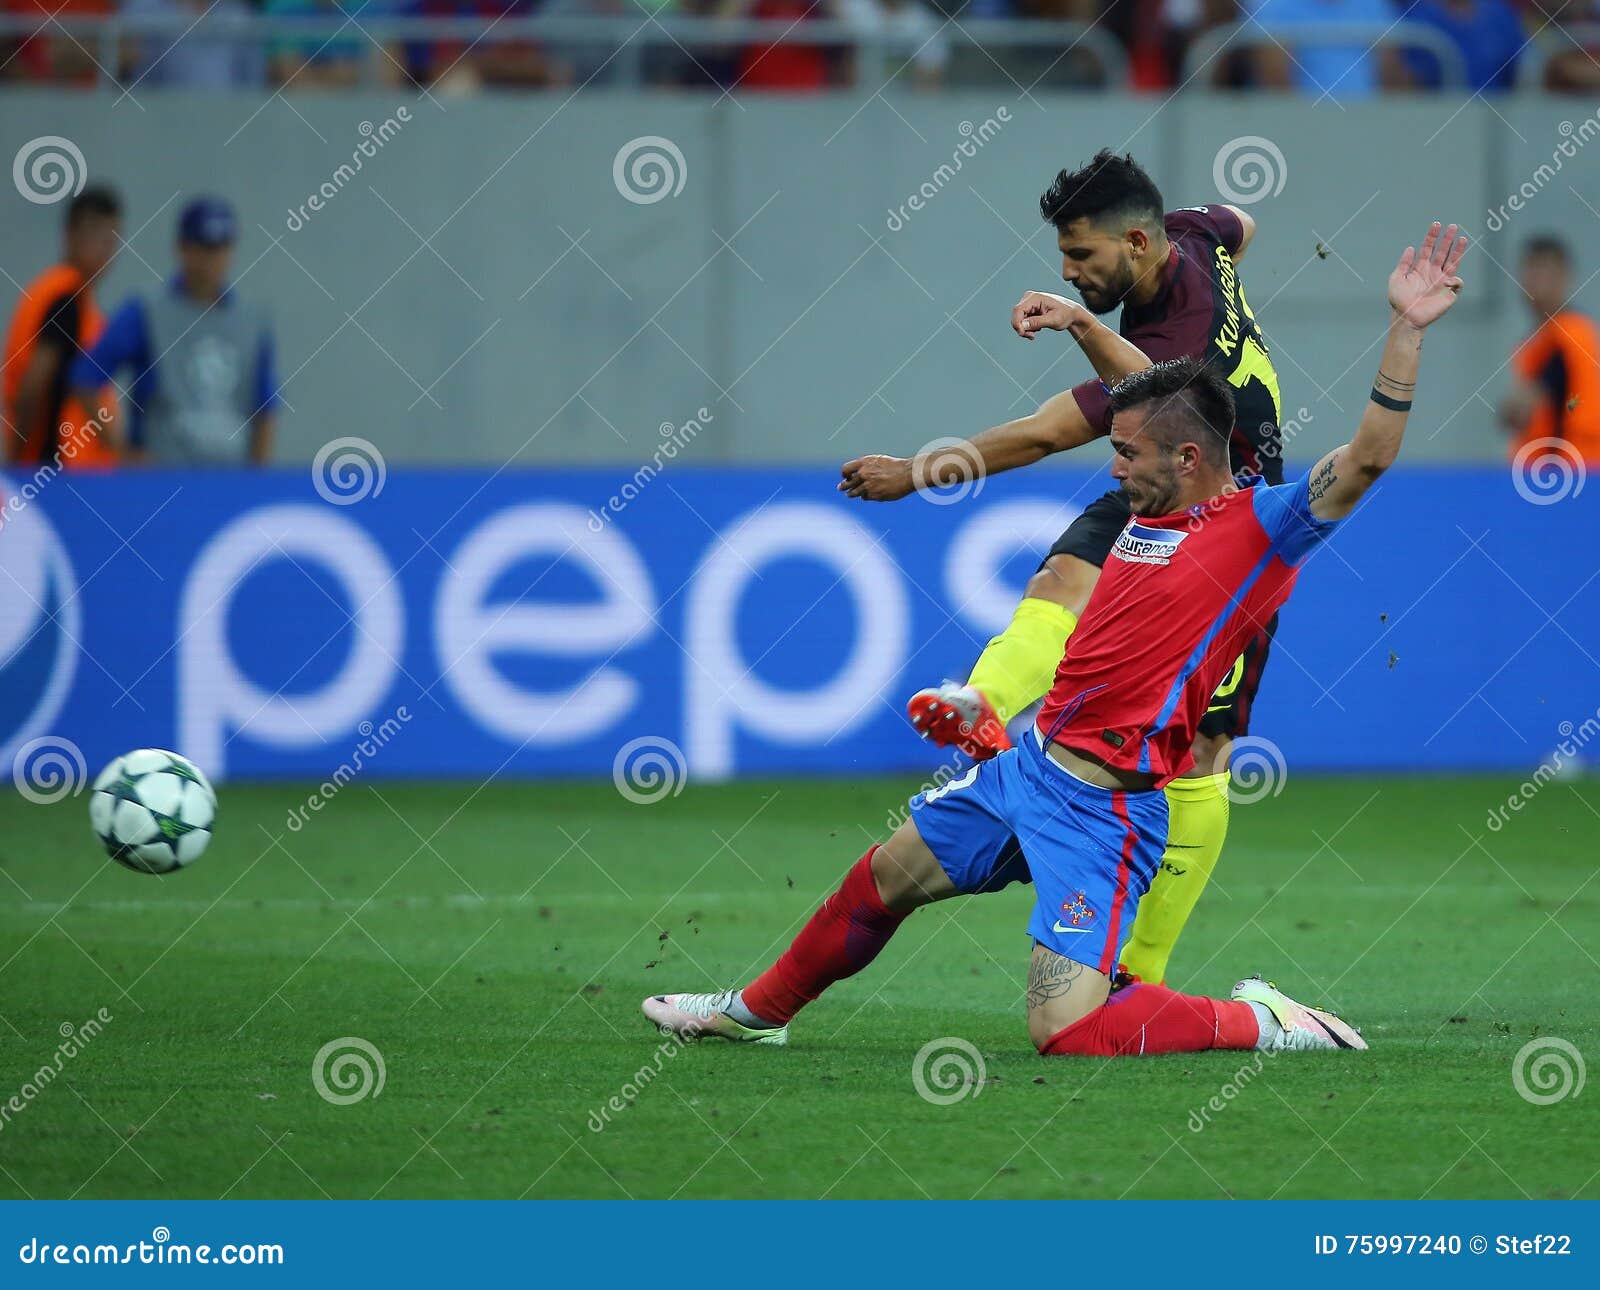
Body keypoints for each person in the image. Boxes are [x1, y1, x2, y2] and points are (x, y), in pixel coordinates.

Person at [644, 220, 1469, 1058]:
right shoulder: (1151, 501)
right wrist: (1082, 327)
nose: (1112, 470)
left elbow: (1366, 459)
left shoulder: (1258, 530)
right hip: (1028, 768)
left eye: (1126, 455)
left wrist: (1405, 330)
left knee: (1066, 1032)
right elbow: (1145, 387)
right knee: (881, 879)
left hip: (1105, 809)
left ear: (1188, 457)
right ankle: (756, 1013)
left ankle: (1265, 1021)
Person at [838, 150, 1280, 986]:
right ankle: (984, 700)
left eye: (1084, 257)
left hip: (1228, 520)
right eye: (1067, 257)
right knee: (1059, 581)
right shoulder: (1193, 234)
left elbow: (1048, 432)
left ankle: (1139, 976)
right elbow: (1240, 224)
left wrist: (912, 470)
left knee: (1202, 750)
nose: (1071, 273)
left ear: (1138, 243)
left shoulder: (1174, 347)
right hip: (1155, 483)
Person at [69, 196, 279, 465]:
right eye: (203, 247)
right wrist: (122, 452)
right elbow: (86, 378)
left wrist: (257, 479)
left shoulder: (252, 321)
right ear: (183, 248)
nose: (213, 258)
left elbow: (265, 406)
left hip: (229, 481)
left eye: (221, 247)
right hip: (161, 482)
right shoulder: (146, 311)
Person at [2, 185, 122, 469]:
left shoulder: (63, 294)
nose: (104, 250)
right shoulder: (66, 300)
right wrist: (18, 466)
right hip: (60, 471)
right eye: (94, 235)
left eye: (111, 238)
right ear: (69, 235)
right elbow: (33, 386)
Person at [1499, 235, 1600, 464]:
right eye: (1530, 271)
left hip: (1571, 475)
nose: (1536, 282)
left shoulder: (1570, 335)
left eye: (1545, 273)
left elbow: (1521, 408)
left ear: (1564, 276)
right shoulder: (1543, 338)